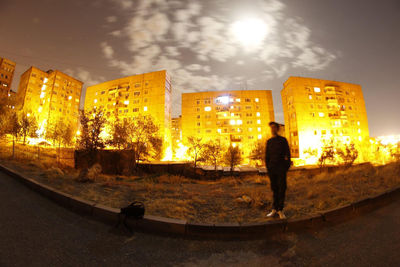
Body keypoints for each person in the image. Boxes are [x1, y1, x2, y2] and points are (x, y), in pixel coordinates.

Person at [265, 122, 291, 219]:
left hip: (281, 169)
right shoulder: (269, 142)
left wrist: (285, 167)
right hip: (272, 170)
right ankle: (274, 209)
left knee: (281, 189)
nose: (273, 129)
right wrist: (269, 169)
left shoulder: (283, 140)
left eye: (274, 128)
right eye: (271, 128)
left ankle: (281, 210)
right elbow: (267, 157)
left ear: (277, 129)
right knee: (274, 189)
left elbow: (288, 155)